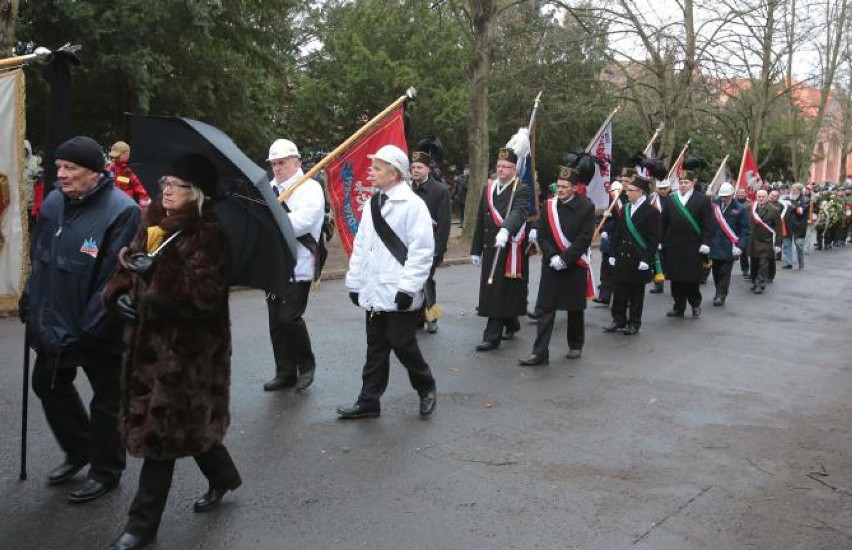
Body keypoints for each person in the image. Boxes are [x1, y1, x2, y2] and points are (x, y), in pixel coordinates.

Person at [102, 154, 241, 550]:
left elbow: (204, 299)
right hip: (145, 348)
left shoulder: (210, 234)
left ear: (195, 193)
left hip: (187, 355)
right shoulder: (150, 221)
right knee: (190, 426)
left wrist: (156, 275)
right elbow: (124, 270)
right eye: (166, 182)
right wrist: (118, 297)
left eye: (177, 185)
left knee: (160, 436)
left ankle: (141, 527)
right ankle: (224, 476)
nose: (166, 190)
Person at [21, 136, 139, 503]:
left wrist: (88, 328)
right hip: (54, 316)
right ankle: (80, 449)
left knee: (107, 399)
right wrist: (31, 295)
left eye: (70, 168)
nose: (62, 175)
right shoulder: (55, 201)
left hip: (97, 327)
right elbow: (41, 254)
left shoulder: (122, 210)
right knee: (47, 384)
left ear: (94, 172)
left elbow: (112, 277)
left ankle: (105, 471)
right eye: (59, 167)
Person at [338, 145, 437, 419]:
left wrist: (408, 288)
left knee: (402, 343)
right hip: (374, 288)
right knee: (376, 347)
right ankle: (369, 401)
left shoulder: (413, 205)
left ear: (394, 174)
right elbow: (362, 245)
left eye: (377, 168)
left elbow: (421, 251)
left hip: (398, 289)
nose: (371, 172)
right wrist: (355, 282)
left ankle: (426, 385)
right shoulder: (373, 203)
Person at [262, 139, 324, 392]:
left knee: (289, 318)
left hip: (299, 262)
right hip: (273, 262)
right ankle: (284, 371)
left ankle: (306, 364)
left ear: (296, 162)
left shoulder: (310, 188)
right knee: (276, 321)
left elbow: (301, 223)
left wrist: (272, 218)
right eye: (274, 163)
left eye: (282, 163)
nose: (277, 168)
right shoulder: (268, 188)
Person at [519, 167, 595, 365]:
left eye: (564, 187)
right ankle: (540, 352)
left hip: (574, 264)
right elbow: (542, 233)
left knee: (575, 308)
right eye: (558, 186)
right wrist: (552, 256)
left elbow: (584, 238)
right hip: (551, 264)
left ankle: (576, 344)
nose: (560, 190)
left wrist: (565, 259)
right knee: (545, 308)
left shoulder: (586, 207)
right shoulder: (549, 205)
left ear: (574, 188)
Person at [470, 147, 531, 351]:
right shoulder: (488, 188)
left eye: (506, 166)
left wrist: (506, 230)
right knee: (497, 290)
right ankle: (511, 321)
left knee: (500, 290)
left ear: (514, 169)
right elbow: (481, 219)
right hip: (490, 246)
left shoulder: (521, 189)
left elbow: (519, 212)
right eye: (499, 166)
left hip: (509, 245)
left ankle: (491, 337)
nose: (502, 169)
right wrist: (475, 249)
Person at [602, 174, 661, 335]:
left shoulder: (651, 211)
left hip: (638, 258)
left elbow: (653, 239)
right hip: (622, 256)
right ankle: (618, 320)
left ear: (640, 192)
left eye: (630, 190)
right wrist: (612, 253)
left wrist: (646, 260)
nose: (626, 193)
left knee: (636, 294)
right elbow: (618, 233)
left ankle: (634, 322)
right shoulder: (626, 208)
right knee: (619, 291)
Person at [660, 169, 713, 318]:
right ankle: (678, 306)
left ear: (692, 183)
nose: (683, 185)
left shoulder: (702, 200)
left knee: (691, 279)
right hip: (674, 246)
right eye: (681, 182)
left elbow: (708, 224)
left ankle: (695, 304)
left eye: (686, 182)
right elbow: (663, 222)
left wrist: (706, 242)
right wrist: (661, 240)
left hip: (693, 246)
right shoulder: (671, 199)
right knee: (675, 279)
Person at [410, 149, 451, 333]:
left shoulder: (440, 190)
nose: (416, 170)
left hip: (430, 245)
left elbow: (445, 223)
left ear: (428, 169)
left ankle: (432, 316)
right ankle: (417, 317)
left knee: (426, 280)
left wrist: (439, 250)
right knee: (412, 281)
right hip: (409, 244)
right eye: (413, 167)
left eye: (420, 167)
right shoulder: (407, 189)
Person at [708, 182, 750, 306]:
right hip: (715, 244)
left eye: (726, 196)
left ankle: (721, 295)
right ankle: (718, 291)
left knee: (725, 272)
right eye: (722, 196)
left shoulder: (740, 209)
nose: (724, 198)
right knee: (715, 270)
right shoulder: (714, 206)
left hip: (730, 246)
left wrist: (740, 247)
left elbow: (745, 230)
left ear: (732, 195)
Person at [594, 179, 624, 306]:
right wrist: (602, 230)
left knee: (617, 269)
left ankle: (621, 297)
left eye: (615, 191)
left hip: (618, 238)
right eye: (612, 191)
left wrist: (607, 228)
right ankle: (604, 296)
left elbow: (619, 221)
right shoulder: (606, 201)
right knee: (606, 268)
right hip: (607, 240)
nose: (613, 193)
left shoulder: (623, 202)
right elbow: (601, 218)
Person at [747, 189, 782, 294]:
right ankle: (754, 282)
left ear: (767, 198)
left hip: (766, 241)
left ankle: (761, 284)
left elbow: (778, 228)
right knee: (754, 263)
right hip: (753, 240)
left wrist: (778, 244)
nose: (761, 198)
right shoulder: (750, 208)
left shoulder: (774, 210)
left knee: (763, 264)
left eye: (763, 197)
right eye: (759, 196)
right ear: (756, 197)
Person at [107, 141, 151, 207]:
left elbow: (139, 188)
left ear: (127, 154)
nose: (115, 158)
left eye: (118, 156)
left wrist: (143, 207)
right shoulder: (109, 169)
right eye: (115, 157)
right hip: (112, 204)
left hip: (126, 205)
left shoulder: (129, 171)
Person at [648, 177, 671, 294]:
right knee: (656, 260)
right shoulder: (651, 199)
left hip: (669, 235)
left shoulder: (673, 200)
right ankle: (658, 283)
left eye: (664, 188)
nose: (662, 191)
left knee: (669, 261)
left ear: (669, 188)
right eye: (660, 188)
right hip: (655, 233)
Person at [781, 183, 809, 270]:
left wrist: (790, 205)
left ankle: (801, 263)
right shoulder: (786, 198)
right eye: (791, 189)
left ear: (800, 190)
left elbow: (801, 211)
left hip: (799, 226)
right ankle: (788, 263)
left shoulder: (805, 199)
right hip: (787, 225)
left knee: (799, 245)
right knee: (786, 245)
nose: (792, 191)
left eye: (794, 189)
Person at [735, 186, 752, 276]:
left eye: (742, 192)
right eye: (739, 192)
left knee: (744, 251)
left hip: (745, 229)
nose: (741, 194)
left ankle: (745, 269)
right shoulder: (733, 203)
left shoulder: (750, 204)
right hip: (734, 230)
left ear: (746, 194)